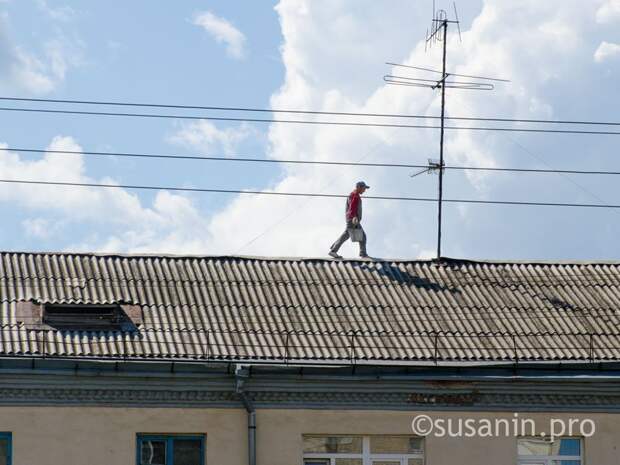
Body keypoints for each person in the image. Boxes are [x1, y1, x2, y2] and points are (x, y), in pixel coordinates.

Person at [329, 181, 369, 259]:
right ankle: (363, 254)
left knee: (346, 235)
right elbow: (352, 208)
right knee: (362, 236)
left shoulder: (354, 195)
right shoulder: (355, 195)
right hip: (353, 220)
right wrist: (354, 217)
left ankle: (333, 250)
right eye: (364, 188)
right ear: (359, 187)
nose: (364, 190)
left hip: (351, 219)